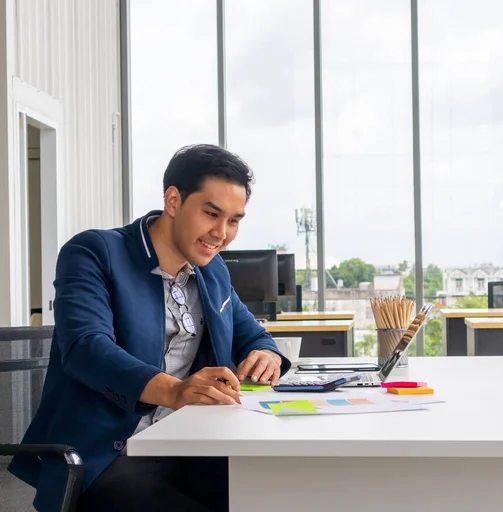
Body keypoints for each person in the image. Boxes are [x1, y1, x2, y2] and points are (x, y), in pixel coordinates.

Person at [9, 144, 291, 512]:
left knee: (277, 494)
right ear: (173, 200)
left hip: (189, 448)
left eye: (234, 220)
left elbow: (253, 334)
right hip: (105, 456)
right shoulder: (94, 252)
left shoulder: (212, 271)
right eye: (211, 213)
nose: (221, 233)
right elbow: (87, 348)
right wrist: (174, 391)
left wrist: (266, 354)